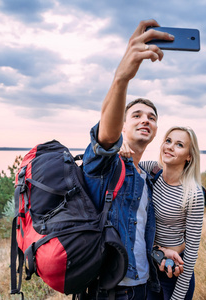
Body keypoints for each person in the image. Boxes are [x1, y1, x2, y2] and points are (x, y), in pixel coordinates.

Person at [80, 19, 181, 299]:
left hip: (146, 286)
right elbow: (104, 139)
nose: (145, 120)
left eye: (151, 118)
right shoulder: (106, 167)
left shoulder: (146, 178)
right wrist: (121, 78)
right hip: (111, 291)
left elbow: (135, 235)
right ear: (122, 126)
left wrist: (159, 253)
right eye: (136, 115)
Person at [120, 126, 204, 300]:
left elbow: (191, 252)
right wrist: (121, 147)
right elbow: (123, 172)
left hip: (174, 271)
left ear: (189, 156)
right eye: (168, 141)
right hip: (149, 264)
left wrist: (178, 296)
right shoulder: (151, 171)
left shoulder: (193, 193)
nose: (170, 146)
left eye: (179, 144)